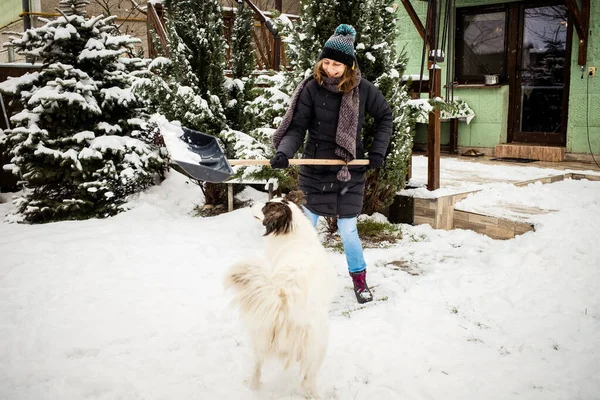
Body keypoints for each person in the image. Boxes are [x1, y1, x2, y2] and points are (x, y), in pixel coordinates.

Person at [269, 24, 393, 304]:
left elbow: (385, 116)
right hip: (315, 169)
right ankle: (295, 281)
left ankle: (359, 280)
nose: (329, 68)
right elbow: (297, 127)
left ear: (348, 66)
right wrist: (284, 152)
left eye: (336, 64)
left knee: (348, 230)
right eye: (326, 62)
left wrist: (377, 151)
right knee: (304, 229)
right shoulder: (312, 89)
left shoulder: (363, 90)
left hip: (349, 170)